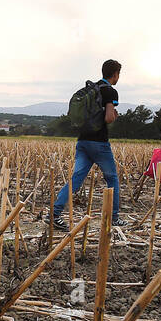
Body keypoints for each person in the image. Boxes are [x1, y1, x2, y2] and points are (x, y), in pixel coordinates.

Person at [52, 59, 121, 230]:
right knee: (112, 178)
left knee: (76, 178)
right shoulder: (110, 91)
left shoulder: (92, 89)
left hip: (82, 140)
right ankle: (114, 218)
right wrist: (114, 115)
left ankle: (54, 214)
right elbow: (108, 118)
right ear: (115, 74)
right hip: (99, 143)